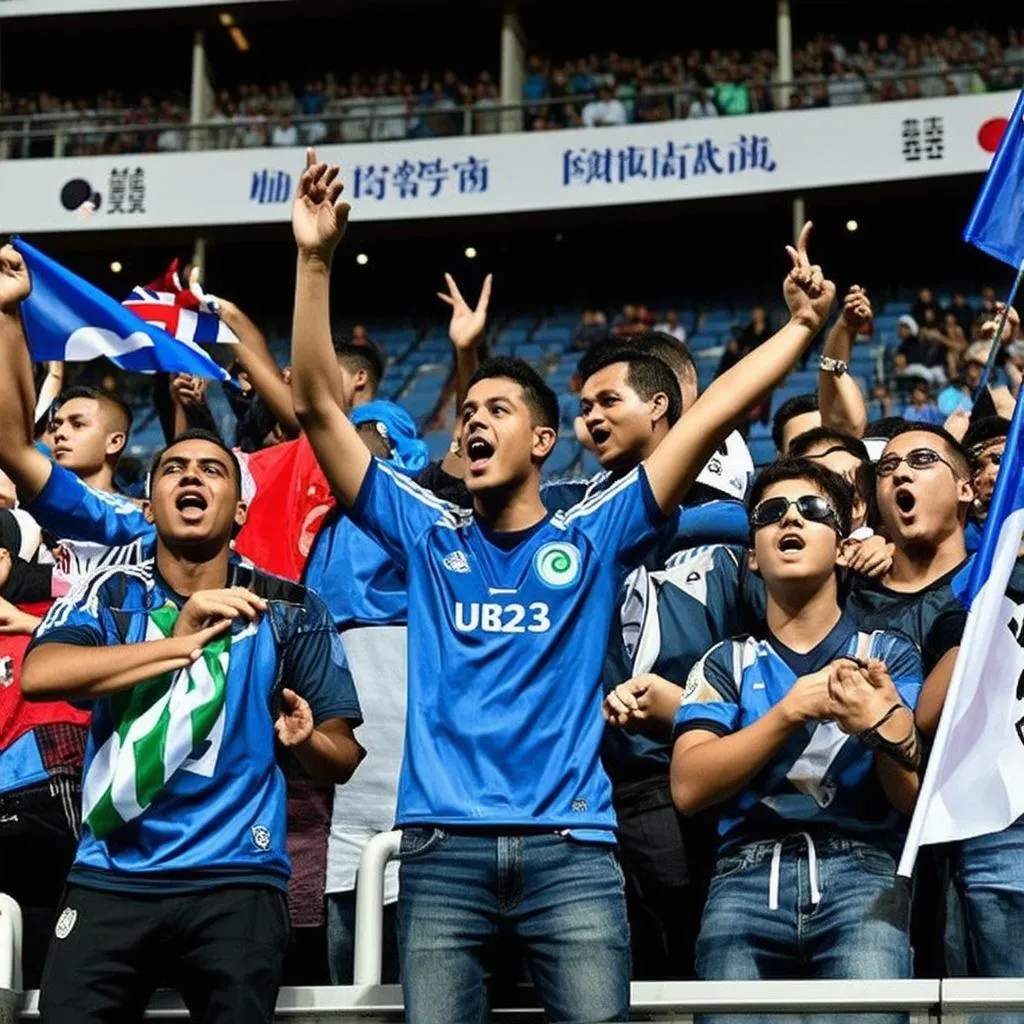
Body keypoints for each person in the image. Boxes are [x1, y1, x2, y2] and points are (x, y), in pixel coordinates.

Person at [288, 149, 836, 1023]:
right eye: (467, 413)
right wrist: (315, 260)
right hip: (442, 852)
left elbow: (711, 412)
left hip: (573, 853)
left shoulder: (594, 531)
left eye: (496, 412)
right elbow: (317, 407)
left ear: (544, 442)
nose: (473, 421)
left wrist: (804, 331)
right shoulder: (426, 533)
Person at [23, 429, 365, 1024]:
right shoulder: (109, 593)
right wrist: (177, 643)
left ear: (239, 510)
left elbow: (344, 757)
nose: (191, 476)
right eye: (173, 467)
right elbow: (42, 673)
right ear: (149, 503)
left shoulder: (290, 608)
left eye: (212, 469)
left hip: (236, 877)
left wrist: (306, 740)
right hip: (113, 872)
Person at [670, 459, 922, 1021]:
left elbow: (910, 797)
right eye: (771, 512)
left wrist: (882, 725)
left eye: (813, 510)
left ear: (840, 546)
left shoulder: (889, 652)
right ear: (753, 555)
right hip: (742, 879)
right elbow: (688, 787)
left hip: (867, 877)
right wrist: (787, 714)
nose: (792, 517)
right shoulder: (722, 662)